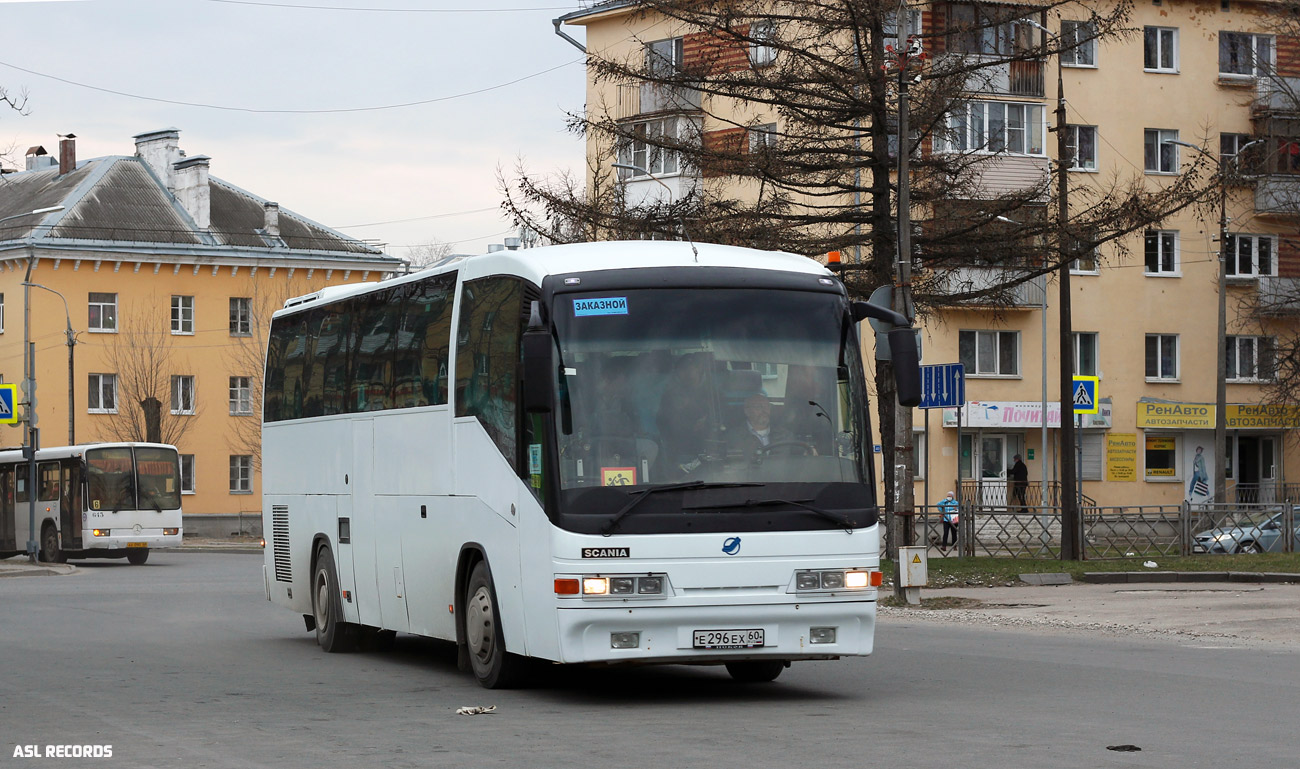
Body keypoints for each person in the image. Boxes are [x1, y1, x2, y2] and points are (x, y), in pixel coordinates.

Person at [728, 393, 796, 458]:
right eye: (758, 407)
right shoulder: (734, 437)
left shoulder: (786, 436)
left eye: (766, 406)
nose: (764, 410)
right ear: (747, 411)